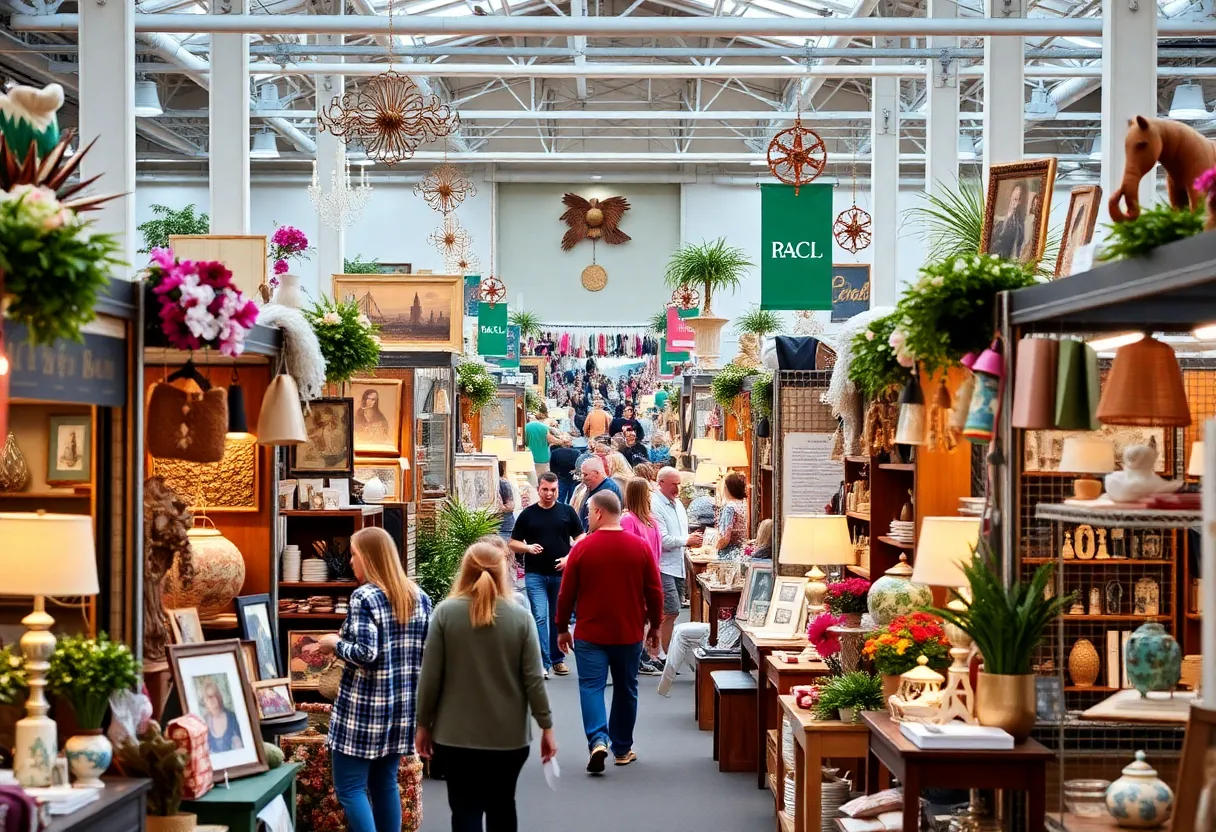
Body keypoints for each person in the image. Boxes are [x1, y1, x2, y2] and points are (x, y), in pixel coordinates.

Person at [416, 542, 558, 832]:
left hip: (455, 735)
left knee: (464, 809)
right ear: (502, 572)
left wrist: (423, 724)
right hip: (508, 736)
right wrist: (546, 727)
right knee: (502, 804)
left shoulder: (445, 614)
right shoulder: (520, 618)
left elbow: (430, 676)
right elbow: (533, 679)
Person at [316, 527, 432, 832]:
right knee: (384, 784)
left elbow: (367, 653)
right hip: (402, 707)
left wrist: (333, 643)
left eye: (354, 555)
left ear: (367, 558)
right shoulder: (418, 596)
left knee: (350, 788)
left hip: (363, 709)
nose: (351, 562)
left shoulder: (364, 596)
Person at [556, 491, 664, 773]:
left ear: (600, 513)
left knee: (591, 686)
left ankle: (597, 740)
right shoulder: (639, 547)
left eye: (590, 512)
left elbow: (566, 593)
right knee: (626, 688)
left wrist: (562, 627)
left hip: (590, 633)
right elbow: (654, 591)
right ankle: (623, 747)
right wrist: (655, 625)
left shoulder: (582, 549)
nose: (588, 518)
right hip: (628, 632)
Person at [509, 472, 584, 677]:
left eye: (553, 490)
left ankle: (557, 659)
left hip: (560, 574)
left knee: (557, 617)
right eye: (545, 489)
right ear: (538, 489)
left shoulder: (567, 511)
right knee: (540, 616)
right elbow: (513, 542)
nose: (549, 494)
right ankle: (543, 662)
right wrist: (528, 547)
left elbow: (581, 537)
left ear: (558, 489)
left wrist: (569, 557)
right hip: (535, 574)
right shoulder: (528, 514)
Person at [651, 467, 703, 656]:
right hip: (664, 565)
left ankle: (664, 650)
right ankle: (660, 652)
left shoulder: (677, 504)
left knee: (672, 610)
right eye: (674, 484)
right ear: (661, 482)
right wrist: (686, 540)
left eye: (679, 484)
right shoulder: (655, 505)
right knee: (669, 610)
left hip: (677, 565)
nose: (677, 488)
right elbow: (662, 539)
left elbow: (680, 532)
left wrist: (687, 539)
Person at [620, 477, 665, 677]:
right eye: (647, 492)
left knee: (645, 619)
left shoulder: (651, 520)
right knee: (637, 619)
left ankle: (641, 657)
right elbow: (628, 549)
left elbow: (657, 550)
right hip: (636, 578)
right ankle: (636, 659)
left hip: (651, 575)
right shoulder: (628, 520)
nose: (650, 496)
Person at [577, 457, 622, 533]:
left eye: (585, 474)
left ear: (596, 473)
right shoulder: (592, 487)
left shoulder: (608, 491)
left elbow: (604, 520)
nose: (583, 478)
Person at [990, 181, 1030, 261]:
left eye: (1020, 198)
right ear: (1011, 195)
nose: (1018, 196)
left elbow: (1020, 247)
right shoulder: (998, 218)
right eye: (1015, 198)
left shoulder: (1021, 224)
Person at [201, 680, 244, 753]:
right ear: (205, 701)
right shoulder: (203, 723)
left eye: (214, 696)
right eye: (208, 697)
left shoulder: (232, 718)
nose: (212, 700)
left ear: (219, 697)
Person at [716, 472, 750, 561]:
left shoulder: (729, 507)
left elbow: (726, 537)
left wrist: (715, 548)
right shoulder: (743, 504)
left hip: (728, 554)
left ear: (727, 488)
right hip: (740, 552)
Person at [548, 438, 580, 505]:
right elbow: (578, 466)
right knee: (572, 500)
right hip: (573, 478)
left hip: (560, 477)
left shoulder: (555, 452)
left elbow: (552, 466)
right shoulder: (577, 452)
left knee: (559, 499)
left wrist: (555, 476)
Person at [497, 460, 516, 541]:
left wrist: (501, 507)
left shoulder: (503, 483)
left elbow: (511, 506)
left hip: (504, 528)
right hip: (489, 529)